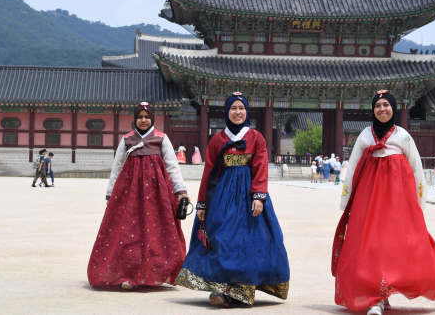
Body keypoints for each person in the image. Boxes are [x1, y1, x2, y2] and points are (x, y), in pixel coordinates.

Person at [332, 90, 435, 315]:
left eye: (386, 105)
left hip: (396, 201)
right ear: (373, 110)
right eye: (377, 106)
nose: (382, 109)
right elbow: (352, 169)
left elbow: (416, 170)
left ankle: (383, 294)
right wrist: (347, 201)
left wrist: (419, 204)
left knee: (394, 244)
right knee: (367, 244)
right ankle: (376, 297)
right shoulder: (364, 136)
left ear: (393, 108)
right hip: (368, 198)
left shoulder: (402, 136)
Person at [175, 92, 289, 307]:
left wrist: (258, 196)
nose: (238, 112)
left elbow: (260, 168)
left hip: (248, 197)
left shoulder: (256, 137)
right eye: (233, 108)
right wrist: (202, 204)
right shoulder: (217, 140)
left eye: (242, 108)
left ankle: (241, 289)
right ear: (227, 112)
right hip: (222, 197)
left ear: (247, 112)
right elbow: (209, 172)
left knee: (250, 241)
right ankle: (227, 287)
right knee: (224, 239)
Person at [87, 102, 189, 289]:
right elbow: (117, 167)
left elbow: (172, 166)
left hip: (158, 194)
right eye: (140, 117)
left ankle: (157, 273)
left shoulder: (161, 138)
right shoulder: (126, 140)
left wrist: (180, 191)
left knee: (157, 231)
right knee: (127, 232)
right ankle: (128, 274)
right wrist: (111, 195)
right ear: (135, 119)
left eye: (147, 116)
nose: (143, 120)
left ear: (152, 119)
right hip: (129, 194)